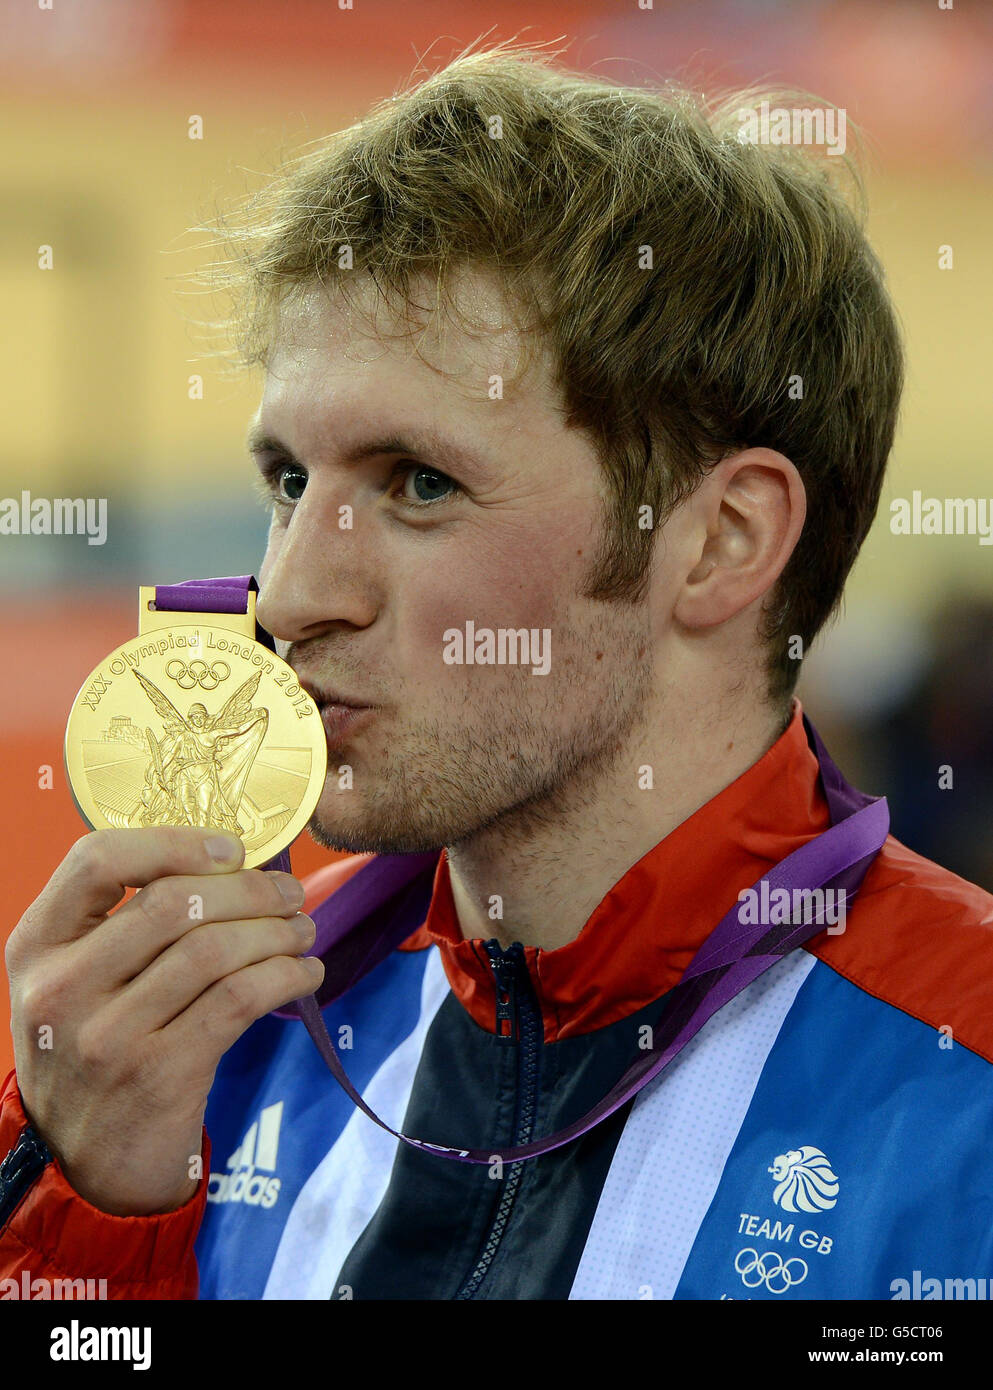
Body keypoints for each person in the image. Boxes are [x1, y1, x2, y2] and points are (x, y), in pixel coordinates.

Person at [3, 43, 991, 1302]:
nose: (293, 598)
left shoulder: (965, 1095)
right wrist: (88, 1222)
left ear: (721, 541)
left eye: (421, 483)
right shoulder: (217, 1043)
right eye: (290, 484)